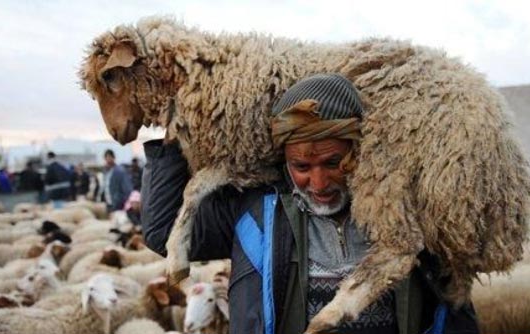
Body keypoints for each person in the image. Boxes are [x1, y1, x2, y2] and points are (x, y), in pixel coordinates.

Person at [141, 74, 480, 334]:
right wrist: (172, 135)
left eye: (334, 163)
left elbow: (452, 304)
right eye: (301, 167)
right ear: (283, 159)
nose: (318, 184)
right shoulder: (255, 210)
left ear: (361, 150)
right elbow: (161, 233)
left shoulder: (409, 211)